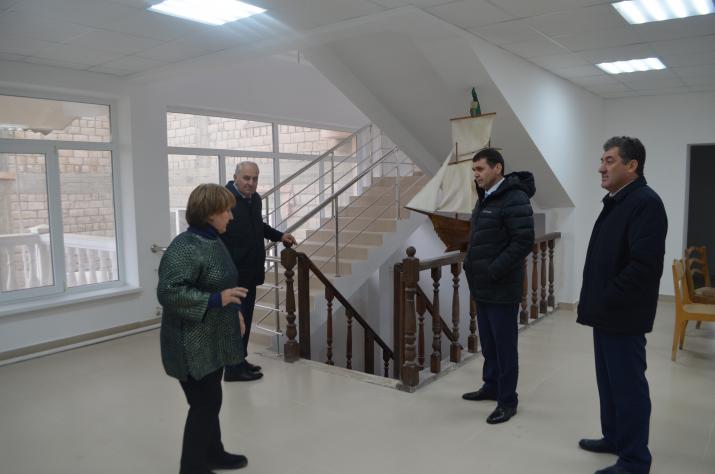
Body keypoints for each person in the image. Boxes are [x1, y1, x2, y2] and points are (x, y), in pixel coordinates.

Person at [577, 137, 667, 474]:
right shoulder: (618, 200)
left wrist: (607, 296)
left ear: (632, 166)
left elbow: (644, 266)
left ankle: (634, 460)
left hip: (623, 314)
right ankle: (615, 437)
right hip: (607, 313)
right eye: (602, 160)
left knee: (628, 387)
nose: (601, 167)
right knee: (609, 382)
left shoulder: (645, 203)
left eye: (610, 160)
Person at [157, 183, 251, 473]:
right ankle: (192, 467)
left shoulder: (212, 240)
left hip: (210, 339)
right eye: (226, 211)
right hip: (189, 343)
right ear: (210, 214)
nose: (231, 217)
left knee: (211, 400)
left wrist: (234, 312)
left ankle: (213, 453)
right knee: (204, 405)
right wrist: (214, 300)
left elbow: (224, 284)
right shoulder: (185, 247)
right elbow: (169, 292)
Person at [462, 148, 535, 424]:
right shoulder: (486, 197)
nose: (476, 174)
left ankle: (507, 400)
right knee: (490, 345)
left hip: (501, 286)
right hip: (482, 286)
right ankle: (491, 386)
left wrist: (494, 269)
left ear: (498, 168)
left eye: (480, 169)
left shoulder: (515, 197)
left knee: (504, 348)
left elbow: (523, 241)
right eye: (474, 170)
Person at [221, 161, 296, 382]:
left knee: (245, 318)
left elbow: (258, 226)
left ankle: (240, 360)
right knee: (234, 321)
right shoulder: (223, 200)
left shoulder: (254, 199)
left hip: (251, 271)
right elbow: (218, 237)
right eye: (246, 178)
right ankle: (232, 369)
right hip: (233, 274)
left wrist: (279, 236)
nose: (251, 183)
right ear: (235, 177)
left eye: (254, 178)